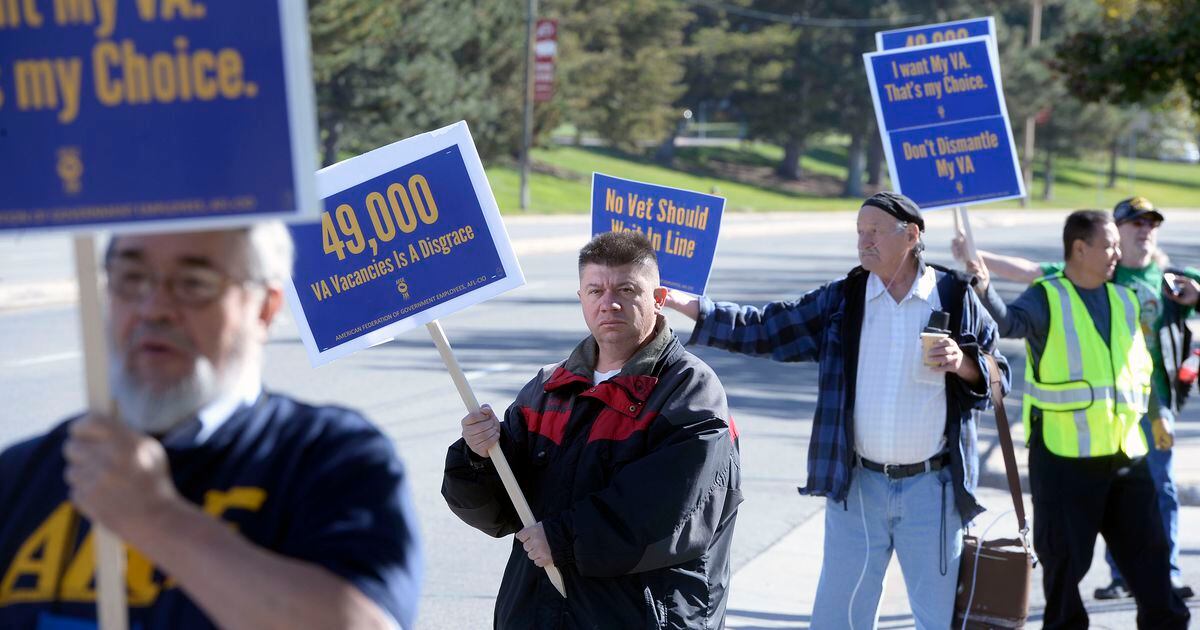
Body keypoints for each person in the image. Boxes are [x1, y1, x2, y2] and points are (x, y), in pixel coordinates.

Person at [0, 225, 422, 629]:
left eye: (194, 283)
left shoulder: (329, 460)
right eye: (131, 277)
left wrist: (156, 518)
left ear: (265, 307)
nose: (154, 308)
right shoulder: (22, 474)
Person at [666, 191, 1009, 629]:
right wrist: (685, 304)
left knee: (940, 620)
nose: (864, 241)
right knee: (839, 619)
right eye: (859, 232)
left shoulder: (954, 296)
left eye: (875, 232)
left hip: (933, 490)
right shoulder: (844, 300)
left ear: (911, 235)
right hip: (857, 486)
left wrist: (963, 364)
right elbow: (765, 327)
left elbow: (998, 375)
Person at [441, 231, 742, 629]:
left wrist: (563, 538)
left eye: (627, 289)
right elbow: (497, 513)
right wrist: (477, 457)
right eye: (595, 290)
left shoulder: (690, 391)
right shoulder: (549, 388)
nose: (609, 303)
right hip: (536, 613)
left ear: (658, 298)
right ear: (580, 298)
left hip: (643, 616)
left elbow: (672, 515)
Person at [953, 196, 1200, 600]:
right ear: (1113, 231)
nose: (1145, 230)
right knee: (1104, 513)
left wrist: (1197, 293)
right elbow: (1032, 276)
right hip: (1086, 423)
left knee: (1161, 490)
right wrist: (977, 258)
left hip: (1149, 407)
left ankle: (1165, 572)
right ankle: (1121, 576)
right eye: (1136, 223)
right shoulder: (1092, 276)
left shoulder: (1168, 278)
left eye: (1152, 224)